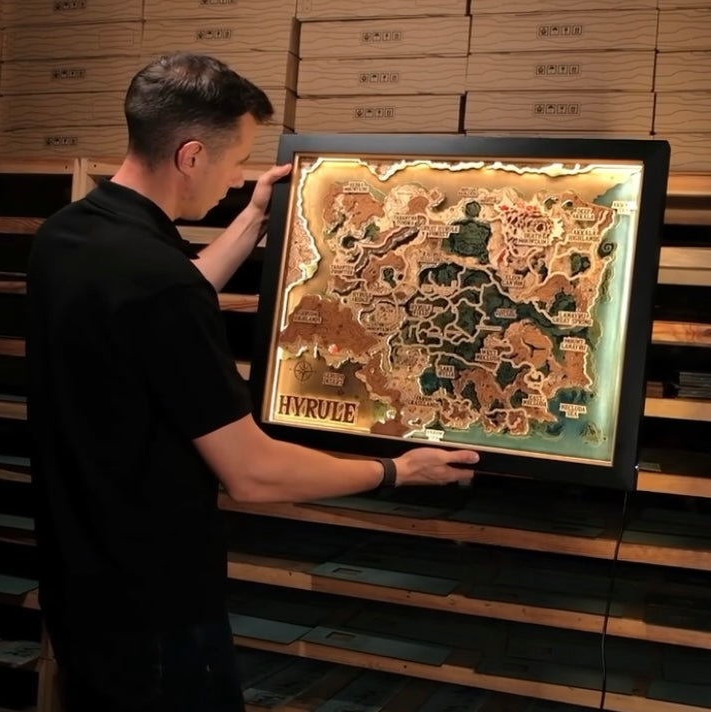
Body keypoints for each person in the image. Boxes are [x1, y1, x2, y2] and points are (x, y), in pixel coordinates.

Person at [26, 52, 480, 712]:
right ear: (189, 156)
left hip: (78, 584)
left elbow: (156, 308)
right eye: (235, 159)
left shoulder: (67, 236)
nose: (238, 177)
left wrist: (254, 220)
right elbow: (252, 474)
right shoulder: (158, 283)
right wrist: (396, 471)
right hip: (157, 607)